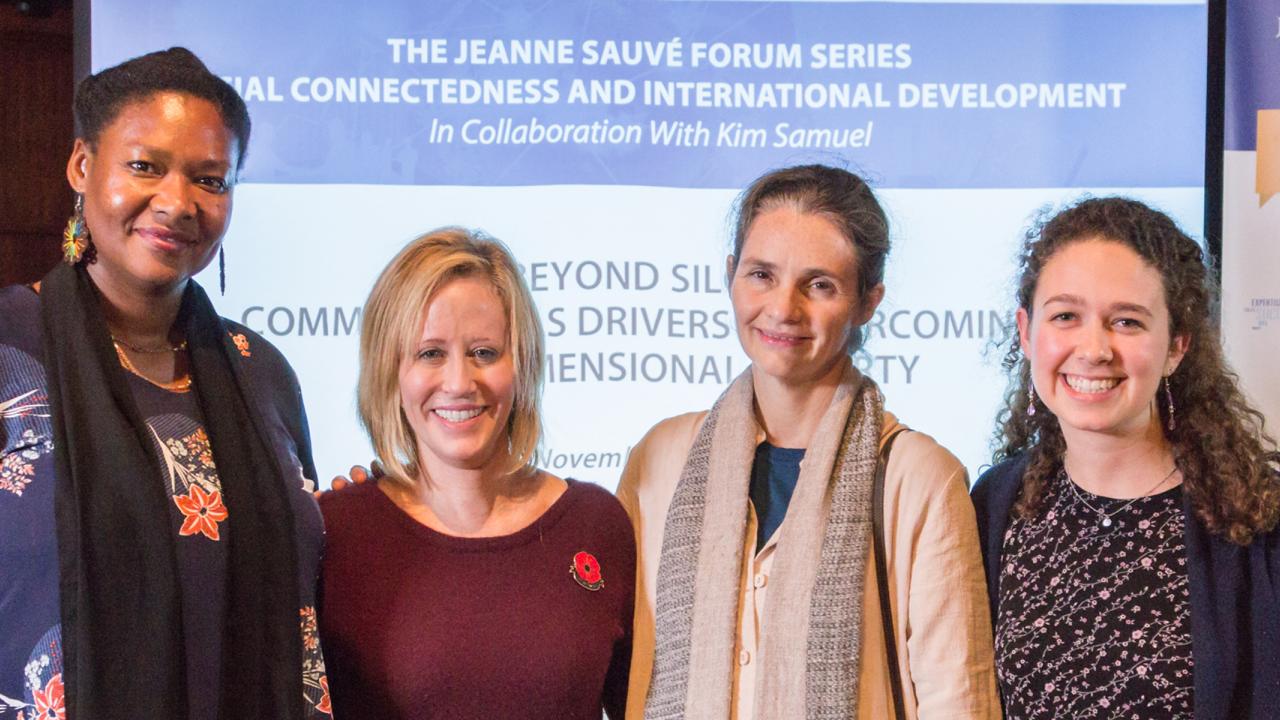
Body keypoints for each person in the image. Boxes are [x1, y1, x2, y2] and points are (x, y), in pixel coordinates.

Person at [0, 48, 329, 719]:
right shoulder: (9, 354)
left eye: (210, 180)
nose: (178, 203)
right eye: (145, 166)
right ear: (82, 166)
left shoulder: (260, 371)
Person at [618, 164, 1000, 719]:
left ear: (868, 302)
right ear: (730, 276)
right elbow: (629, 672)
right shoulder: (661, 460)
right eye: (761, 275)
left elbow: (958, 701)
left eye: (819, 284)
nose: (783, 309)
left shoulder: (919, 477)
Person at [971, 197, 1280, 719]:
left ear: (1177, 346)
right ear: (1026, 333)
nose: (1094, 349)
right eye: (1065, 316)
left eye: (1127, 322)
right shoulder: (994, 505)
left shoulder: (1257, 521)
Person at [317, 228, 634, 720]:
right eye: (430, 353)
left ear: (521, 364)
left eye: (484, 352)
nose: (460, 383)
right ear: (389, 370)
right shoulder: (331, 533)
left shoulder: (598, 524)